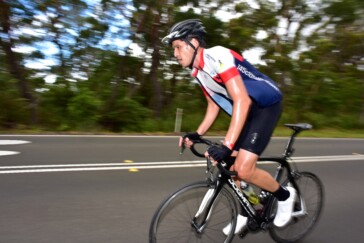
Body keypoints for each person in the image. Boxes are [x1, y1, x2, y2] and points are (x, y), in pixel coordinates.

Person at [162, 19, 296, 234]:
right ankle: (246, 210)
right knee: (230, 168)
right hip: (246, 109)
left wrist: (227, 143)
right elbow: (213, 105)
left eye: (178, 47)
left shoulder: (218, 56)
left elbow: (241, 99)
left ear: (194, 42)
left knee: (243, 169)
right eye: (173, 49)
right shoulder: (198, 73)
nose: (175, 53)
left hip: (265, 105)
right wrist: (197, 133)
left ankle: (285, 196)